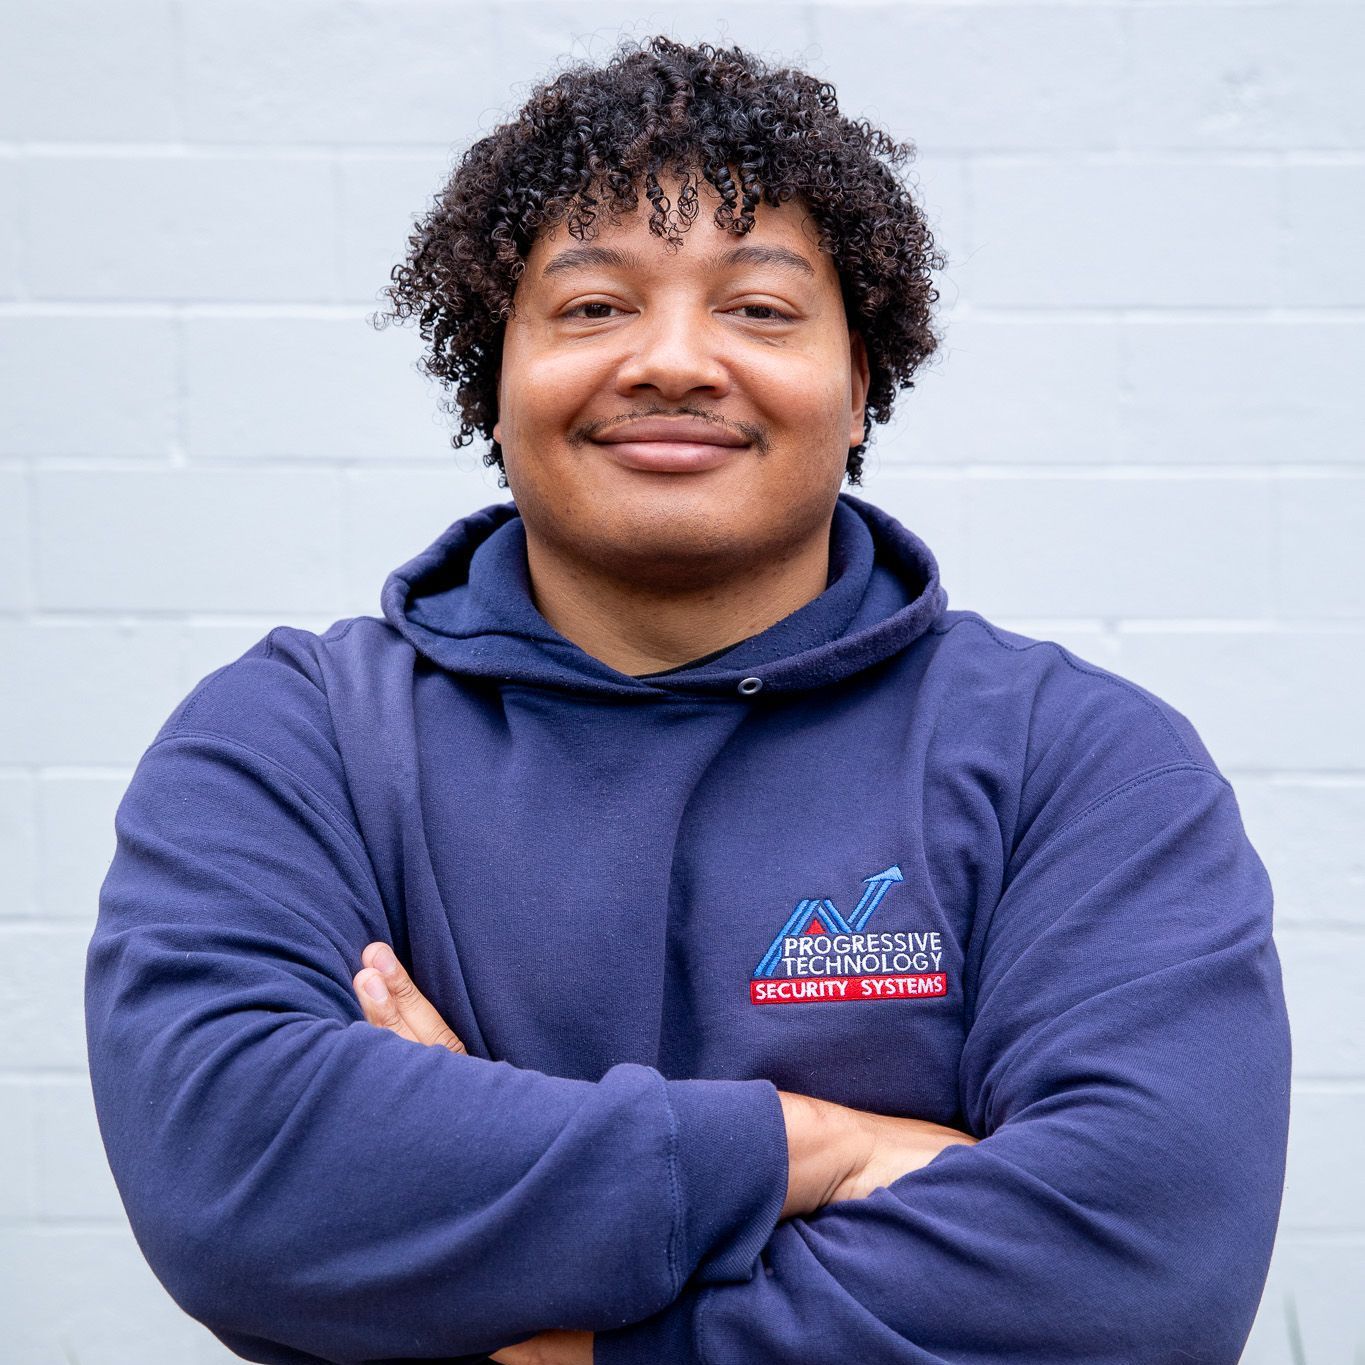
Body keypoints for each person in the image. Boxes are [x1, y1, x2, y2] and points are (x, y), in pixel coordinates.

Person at [84, 36, 1291, 1365]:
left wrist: (574, 1333)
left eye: (759, 309)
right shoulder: (293, 742)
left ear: (858, 391)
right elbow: (244, 1187)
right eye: (592, 306)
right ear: (492, 378)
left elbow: (1135, 1277)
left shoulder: (1077, 761)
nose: (672, 360)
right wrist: (807, 1145)